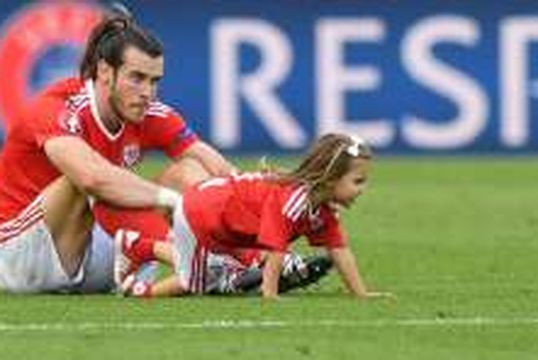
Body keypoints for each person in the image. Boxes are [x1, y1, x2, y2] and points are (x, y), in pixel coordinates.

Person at [0, 7, 235, 293]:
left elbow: (220, 171)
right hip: (22, 259)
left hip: (88, 249)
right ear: (105, 71)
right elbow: (92, 179)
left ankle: (234, 264)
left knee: (188, 173)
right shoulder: (57, 107)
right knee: (85, 181)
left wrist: (259, 198)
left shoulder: (150, 112)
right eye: (136, 78)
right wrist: (172, 201)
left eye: (154, 81)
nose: (147, 92)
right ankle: (196, 265)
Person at [118, 133, 385, 300]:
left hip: (223, 221)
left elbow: (340, 250)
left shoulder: (322, 209)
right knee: (195, 282)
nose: (363, 189)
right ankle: (141, 291)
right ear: (330, 179)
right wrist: (270, 294)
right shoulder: (295, 201)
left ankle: (138, 245)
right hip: (201, 214)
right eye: (358, 181)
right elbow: (276, 248)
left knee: (217, 270)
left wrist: (361, 294)